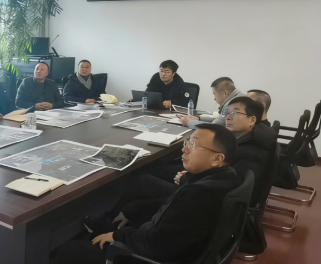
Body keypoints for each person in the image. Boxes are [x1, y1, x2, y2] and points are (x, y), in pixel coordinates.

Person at [85, 97, 276, 236]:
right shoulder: (251, 138)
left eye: (235, 112)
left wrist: (188, 178)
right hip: (202, 186)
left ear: (252, 120)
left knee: (141, 180)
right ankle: (120, 217)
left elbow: (226, 190)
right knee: (150, 174)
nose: (228, 117)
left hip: (200, 200)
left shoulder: (251, 152)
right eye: (228, 112)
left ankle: (110, 222)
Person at [56, 124, 239, 264]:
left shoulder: (199, 195)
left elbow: (158, 245)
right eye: (187, 142)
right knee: (135, 204)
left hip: (154, 256)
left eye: (194, 145)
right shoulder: (225, 178)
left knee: (67, 251)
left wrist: (119, 236)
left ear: (217, 159)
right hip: (173, 241)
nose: (185, 149)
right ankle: (108, 227)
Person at [179, 77, 243, 128]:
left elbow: (214, 127)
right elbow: (221, 119)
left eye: (215, 94)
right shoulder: (239, 96)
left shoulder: (232, 104)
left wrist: (189, 122)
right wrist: (198, 118)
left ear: (225, 93)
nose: (214, 98)